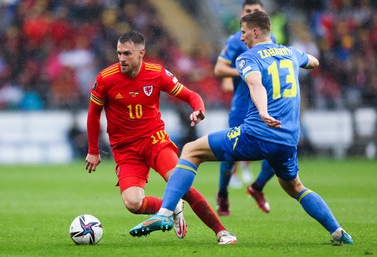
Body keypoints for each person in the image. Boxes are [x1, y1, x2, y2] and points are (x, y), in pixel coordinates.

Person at [130, 12, 353, 246]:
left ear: (255, 32)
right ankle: (338, 232)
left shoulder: (248, 57)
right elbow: (313, 61)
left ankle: (164, 213)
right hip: (287, 139)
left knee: (191, 150)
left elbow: (255, 84)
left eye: (244, 31)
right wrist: (302, 60)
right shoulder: (289, 52)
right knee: (295, 186)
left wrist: (264, 111)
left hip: (256, 134)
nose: (242, 37)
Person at [85, 30, 237, 245]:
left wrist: (198, 108)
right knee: (133, 203)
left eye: (127, 53)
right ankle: (173, 207)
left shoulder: (156, 73)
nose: (121, 59)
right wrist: (93, 150)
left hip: (154, 140)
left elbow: (190, 95)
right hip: (125, 148)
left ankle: (222, 232)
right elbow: (93, 114)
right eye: (119, 53)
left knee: (180, 183)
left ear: (141, 53)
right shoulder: (105, 78)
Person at [213, 0, 275, 216]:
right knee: (230, 154)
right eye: (247, 11)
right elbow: (219, 68)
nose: (251, 14)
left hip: (268, 104)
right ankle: (223, 193)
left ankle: (257, 187)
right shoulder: (236, 40)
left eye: (255, 11)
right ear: (241, 15)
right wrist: (244, 71)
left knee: (279, 150)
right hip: (242, 107)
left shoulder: (272, 41)